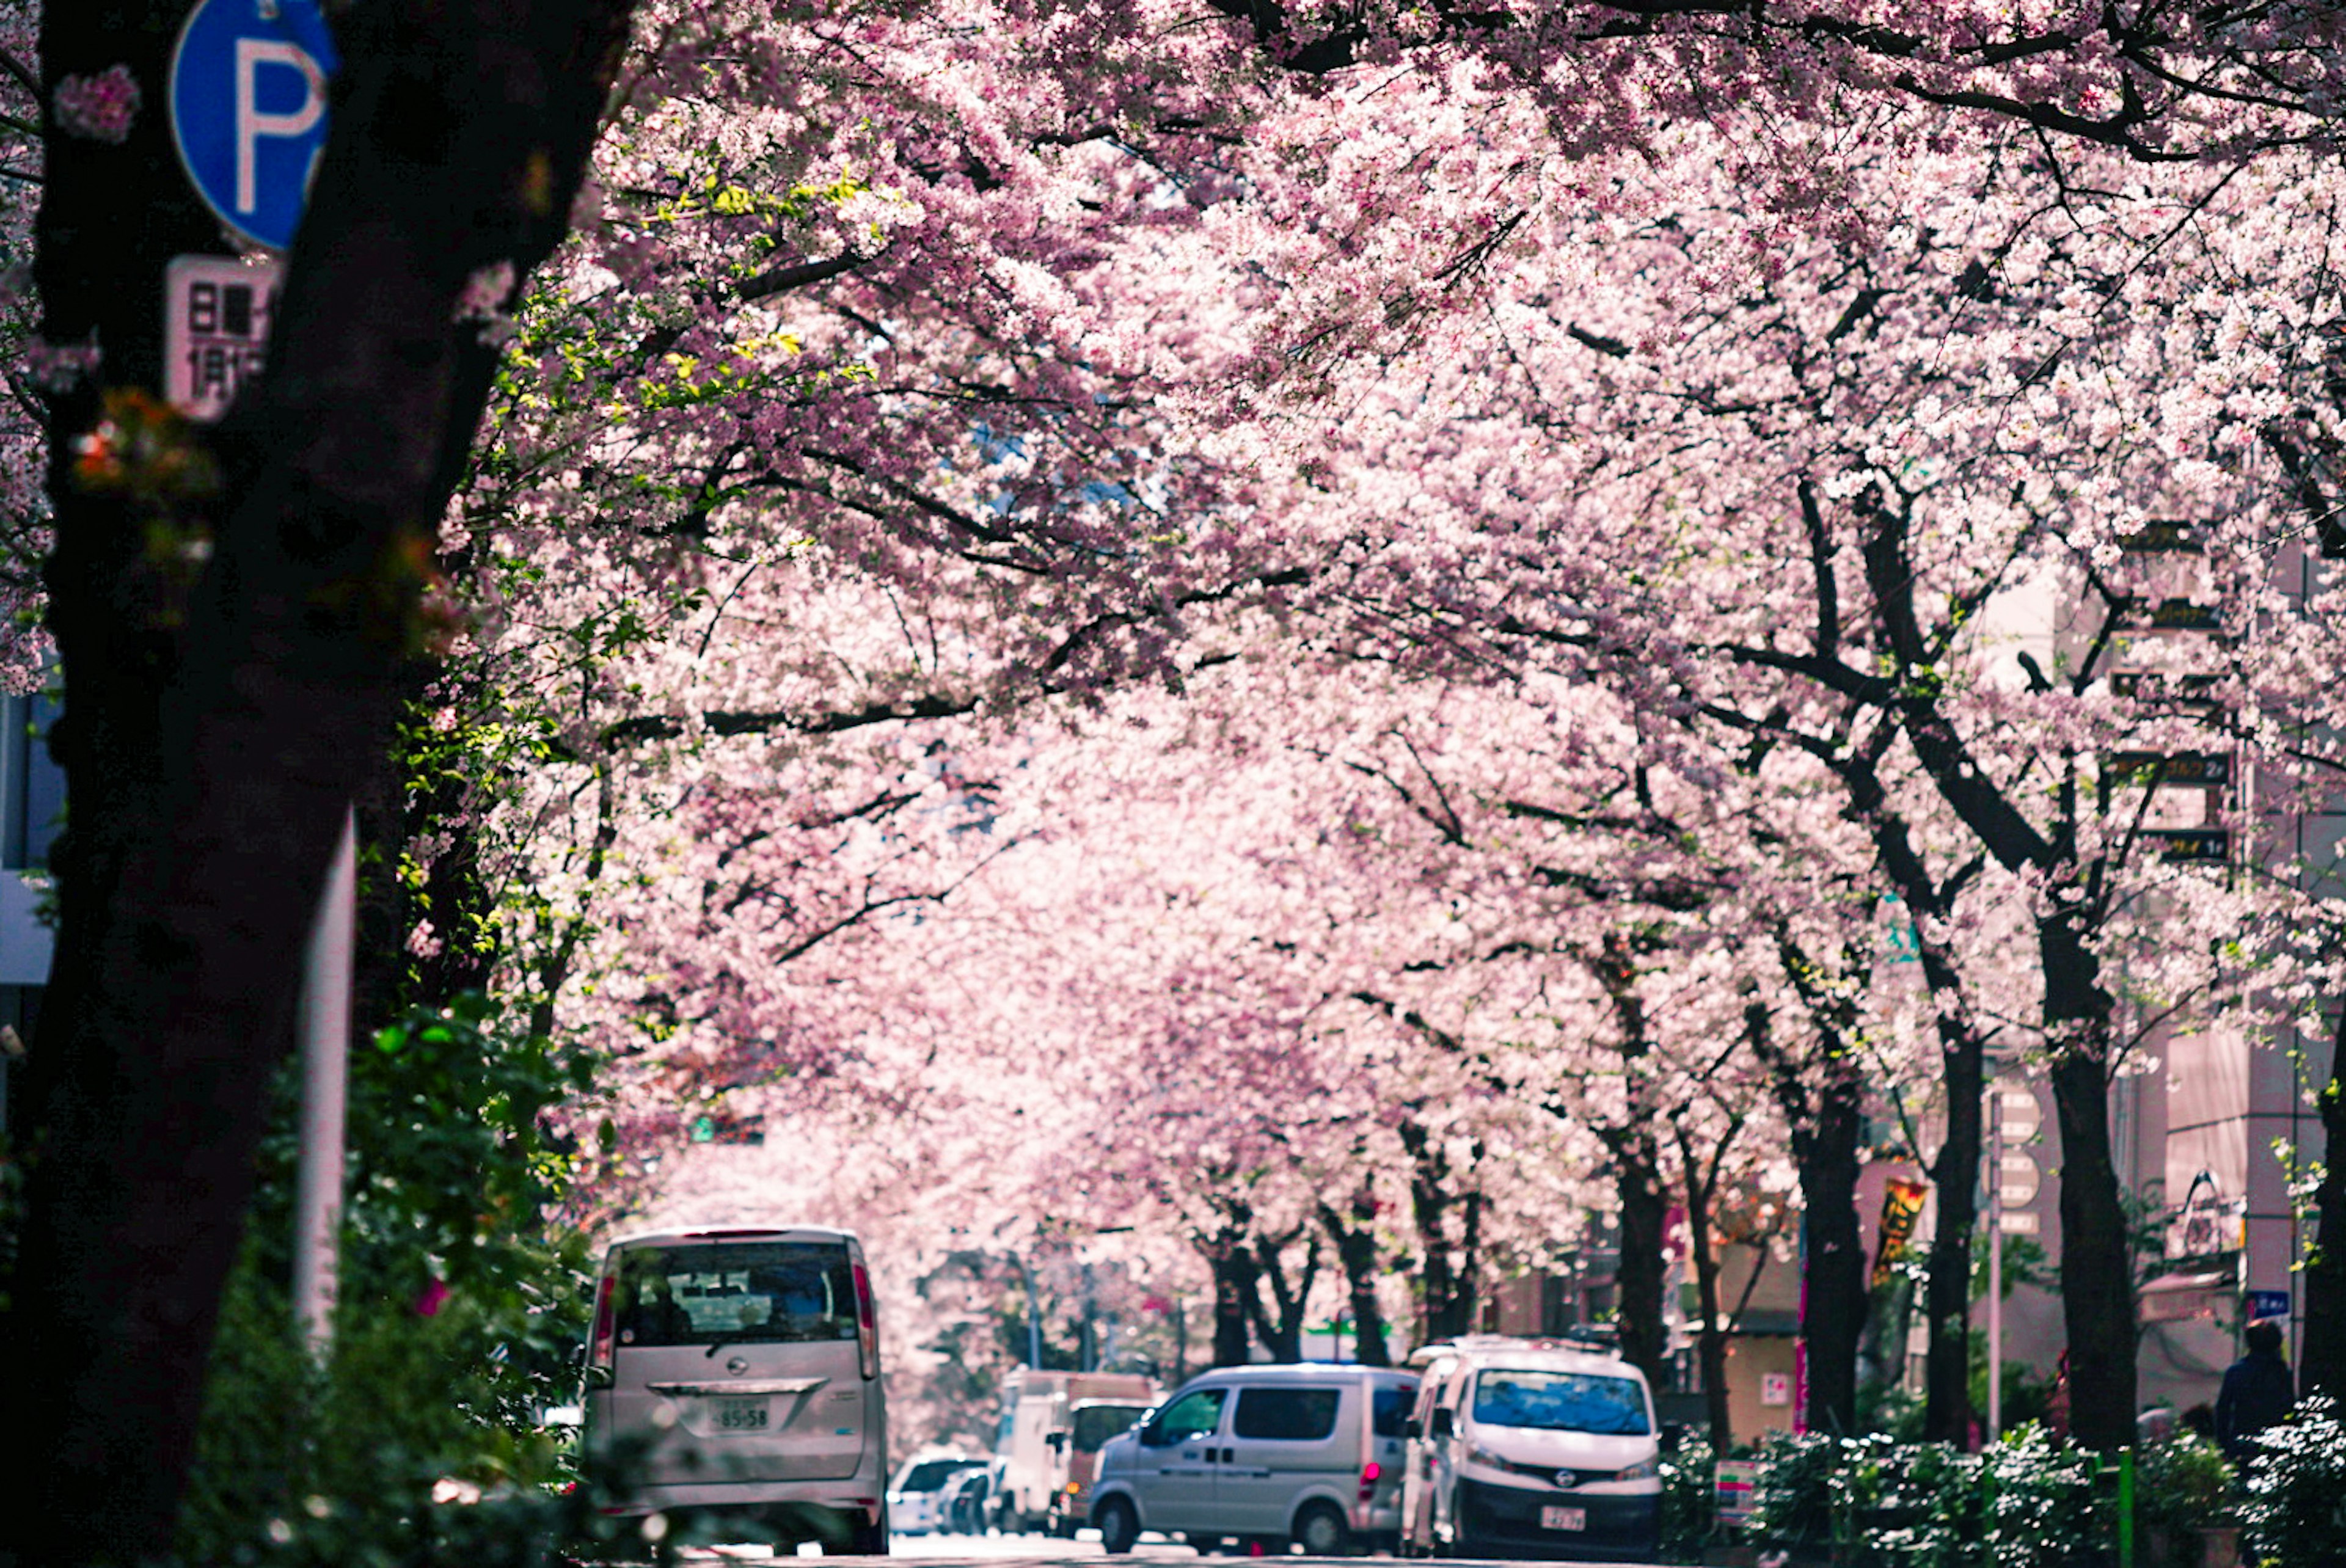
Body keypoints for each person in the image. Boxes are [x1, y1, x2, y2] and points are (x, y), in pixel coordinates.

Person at [2215, 1319, 2295, 1459]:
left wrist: (2225, 1446)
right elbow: (2290, 1407)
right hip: (2277, 1444)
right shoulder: (2282, 1373)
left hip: (2243, 1444)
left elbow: (2223, 1411)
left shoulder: (2237, 1372)